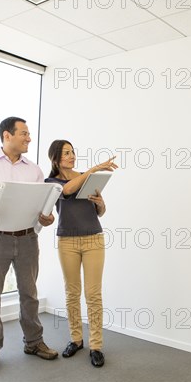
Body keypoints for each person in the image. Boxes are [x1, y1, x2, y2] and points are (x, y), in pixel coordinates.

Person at [0, 117, 57, 375]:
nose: (29, 138)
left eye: (28, 134)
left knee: (30, 295)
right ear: (7, 135)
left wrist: (46, 217)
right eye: (24, 133)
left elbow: (42, 207)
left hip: (28, 238)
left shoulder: (34, 170)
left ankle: (34, 343)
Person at [45, 140, 117, 368]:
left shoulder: (87, 177)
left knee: (93, 294)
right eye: (66, 153)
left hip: (93, 239)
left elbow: (100, 212)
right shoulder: (52, 182)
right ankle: (76, 340)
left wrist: (100, 203)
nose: (72, 156)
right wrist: (93, 169)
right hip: (67, 242)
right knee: (72, 292)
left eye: (73, 152)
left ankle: (96, 346)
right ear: (55, 158)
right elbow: (67, 190)